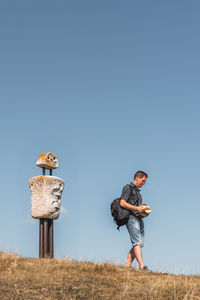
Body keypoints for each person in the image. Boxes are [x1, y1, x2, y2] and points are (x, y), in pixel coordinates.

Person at [120, 171, 148, 270]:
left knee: (139, 243)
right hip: (131, 218)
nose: (144, 183)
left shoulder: (138, 192)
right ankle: (142, 266)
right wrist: (137, 209)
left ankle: (127, 266)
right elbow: (122, 203)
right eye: (143, 181)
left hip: (139, 218)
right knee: (137, 242)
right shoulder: (128, 188)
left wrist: (143, 212)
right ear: (137, 178)